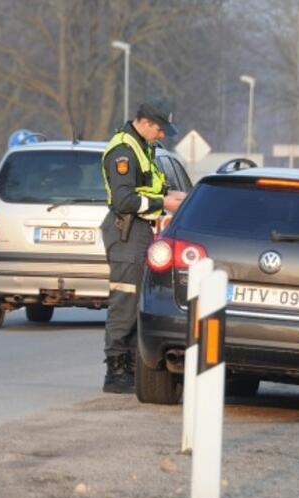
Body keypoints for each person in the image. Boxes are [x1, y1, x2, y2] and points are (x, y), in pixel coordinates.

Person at [100, 99, 186, 393]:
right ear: (146, 123)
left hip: (141, 231)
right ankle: (116, 371)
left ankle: (131, 366)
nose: (162, 135)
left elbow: (147, 186)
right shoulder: (124, 150)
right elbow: (123, 200)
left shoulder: (143, 147)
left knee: (137, 299)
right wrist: (164, 202)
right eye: (160, 129)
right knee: (124, 300)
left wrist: (172, 194)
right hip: (127, 231)